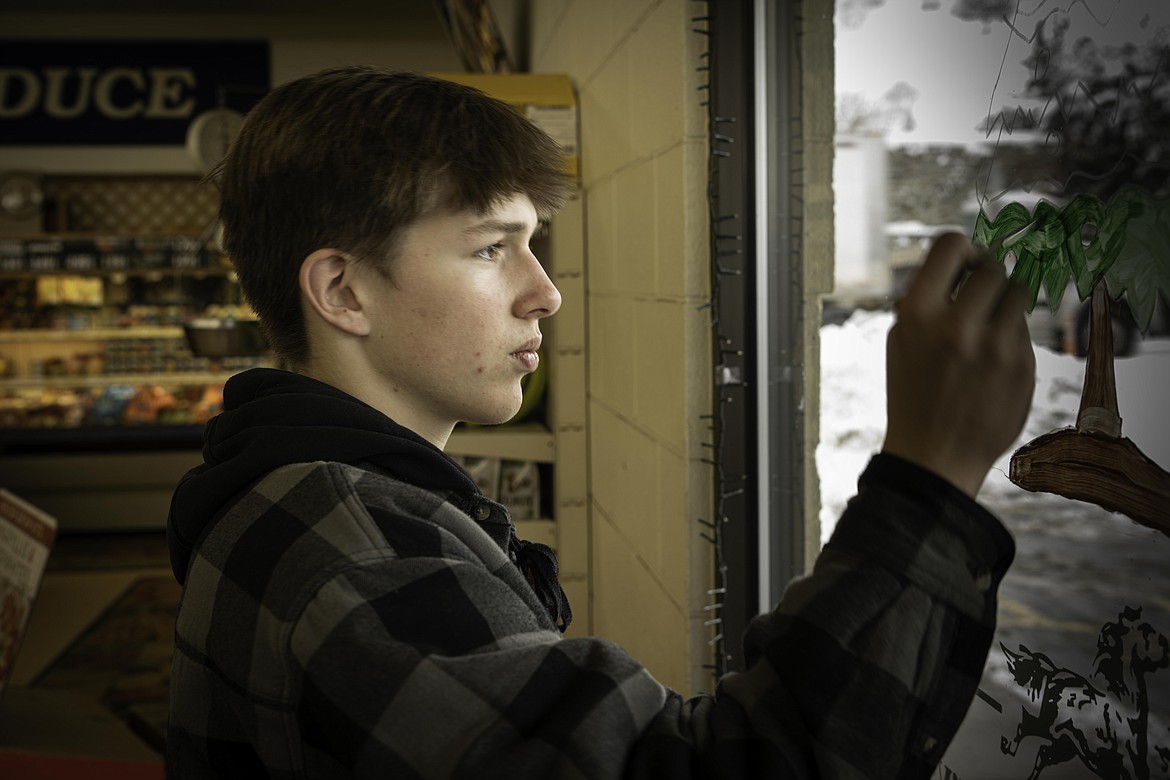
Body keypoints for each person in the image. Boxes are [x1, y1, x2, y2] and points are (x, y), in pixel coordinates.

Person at [166, 65, 1035, 779]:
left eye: (532, 243)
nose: (544, 292)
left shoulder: (314, 496)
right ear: (343, 291)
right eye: (489, 247)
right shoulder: (354, 551)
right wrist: (930, 478)